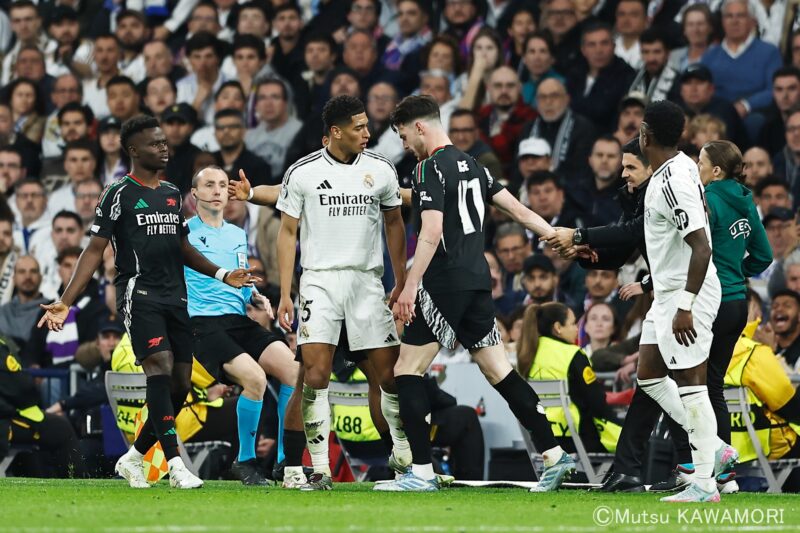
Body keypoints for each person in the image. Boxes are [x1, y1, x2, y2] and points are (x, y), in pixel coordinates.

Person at [36, 115, 254, 490]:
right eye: (155, 143)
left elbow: (182, 246)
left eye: (164, 142)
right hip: (140, 294)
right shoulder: (117, 193)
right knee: (160, 368)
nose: (164, 148)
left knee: (180, 384)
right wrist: (66, 301)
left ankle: (134, 457)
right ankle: (175, 465)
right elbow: (94, 250)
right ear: (134, 150)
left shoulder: (171, 193)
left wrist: (221, 274)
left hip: (176, 296)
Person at [377, 95, 573, 493]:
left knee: (407, 371)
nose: (404, 145)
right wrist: (554, 235)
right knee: (499, 370)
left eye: (403, 135)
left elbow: (432, 231)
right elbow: (519, 211)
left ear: (419, 127)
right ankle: (554, 454)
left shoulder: (428, 167)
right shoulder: (473, 165)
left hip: (444, 282)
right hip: (478, 280)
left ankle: (421, 473)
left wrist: (410, 285)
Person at [271, 95, 411, 491]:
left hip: (367, 283)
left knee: (389, 377)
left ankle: (405, 462)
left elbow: (395, 224)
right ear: (335, 132)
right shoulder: (303, 172)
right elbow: (287, 232)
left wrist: (401, 281)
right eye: (358, 127)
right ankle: (319, 469)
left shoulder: (381, 169)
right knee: (315, 375)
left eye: (367, 125)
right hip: (320, 281)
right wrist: (286, 293)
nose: (367, 133)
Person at [634, 100, 732, 502]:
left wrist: (686, 305)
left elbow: (701, 247)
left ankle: (705, 483)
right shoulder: (679, 168)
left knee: (692, 384)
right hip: (667, 291)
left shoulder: (673, 180)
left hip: (687, 293)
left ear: (645, 135)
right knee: (648, 375)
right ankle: (715, 447)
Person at [185, 165, 304, 487]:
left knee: (294, 372)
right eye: (209, 185)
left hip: (239, 319)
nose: (217, 191)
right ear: (194, 193)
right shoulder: (184, 233)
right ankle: (246, 460)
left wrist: (255, 296)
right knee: (255, 379)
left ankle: (285, 461)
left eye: (222, 185)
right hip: (203, 324)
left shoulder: (237, 234)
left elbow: (238, 278)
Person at [697, 140, 772, 473]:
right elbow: (764, 255)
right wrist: (737, 272)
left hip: (711, 302)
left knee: (694, 385)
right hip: (738, 302)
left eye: (700, 162)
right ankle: (723, 471)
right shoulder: (746, 202)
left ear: (716, 170)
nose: (697, 168)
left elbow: (696, 251)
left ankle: (702, 465)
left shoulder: (708, 200)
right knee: (714, 384)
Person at [517, 302, 622, 454]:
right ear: (558, 327)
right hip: (576, 441)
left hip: (542, 442)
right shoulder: (572, 354)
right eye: (572, 324)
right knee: (635, 442)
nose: (577, 329)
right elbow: (597, 401)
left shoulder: (527, 354)